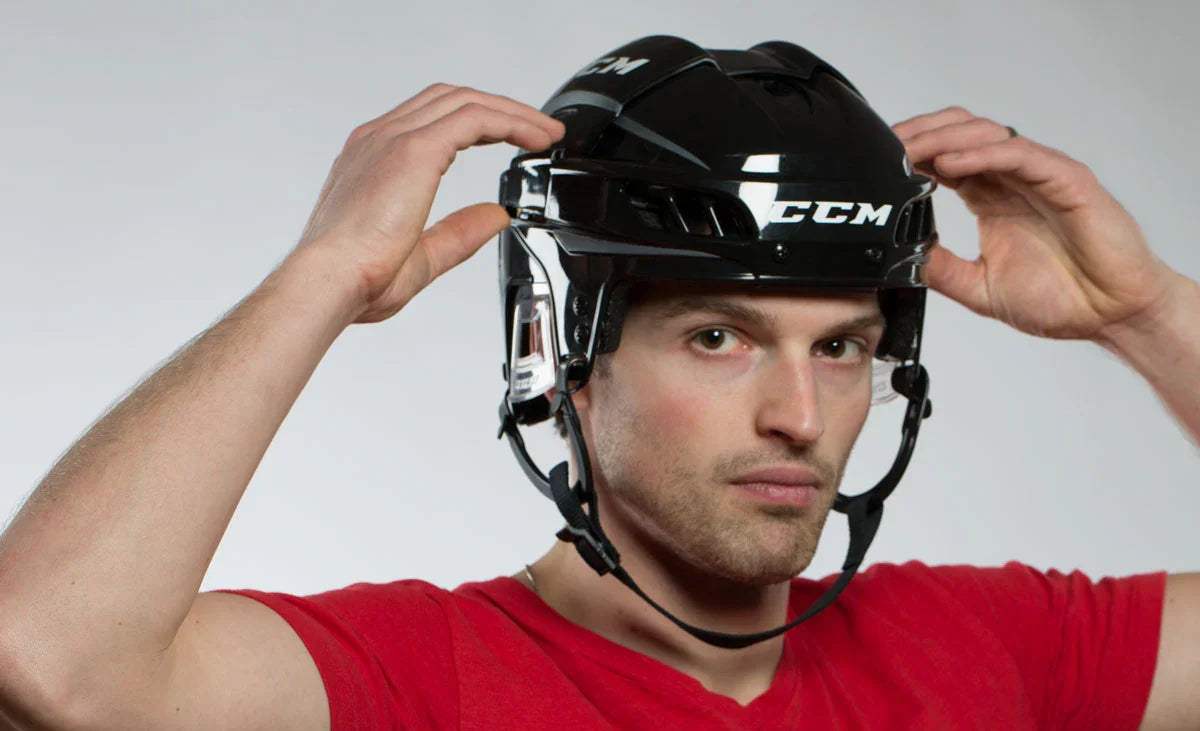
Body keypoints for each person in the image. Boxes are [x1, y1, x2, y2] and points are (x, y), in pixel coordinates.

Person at [0, 34, 1196, 731]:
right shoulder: (417, 676)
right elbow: (50, 662)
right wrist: (321, 276)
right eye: (718, 337)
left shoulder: (999, 647)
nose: (800, 415)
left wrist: (1147, 315)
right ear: (561, 354)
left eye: (840, 346)